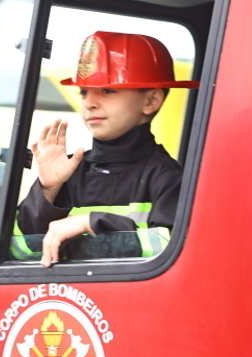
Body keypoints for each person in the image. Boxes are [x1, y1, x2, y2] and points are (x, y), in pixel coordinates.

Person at [16, 31, 200, 266]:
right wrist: (47, 191)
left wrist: (90, 222)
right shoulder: (68, 172)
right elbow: (22, 250)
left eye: (107, 90)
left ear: (151, 101)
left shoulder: (167, 177)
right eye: (83, 92)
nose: (89, 103)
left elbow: (170, 249)